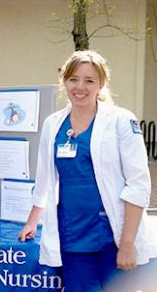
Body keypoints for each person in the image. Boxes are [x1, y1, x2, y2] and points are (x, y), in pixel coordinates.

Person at [19, 50, 157, 291]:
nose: (79, 86)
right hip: (72, 237)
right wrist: (32, 221)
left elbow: (138, 184)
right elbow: (44, 179)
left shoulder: (121, 121)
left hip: (112, 236)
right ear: (64, 81)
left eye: (89, 80)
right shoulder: (53, 124)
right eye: (73, 79)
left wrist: (127, 243)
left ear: (101, 83)